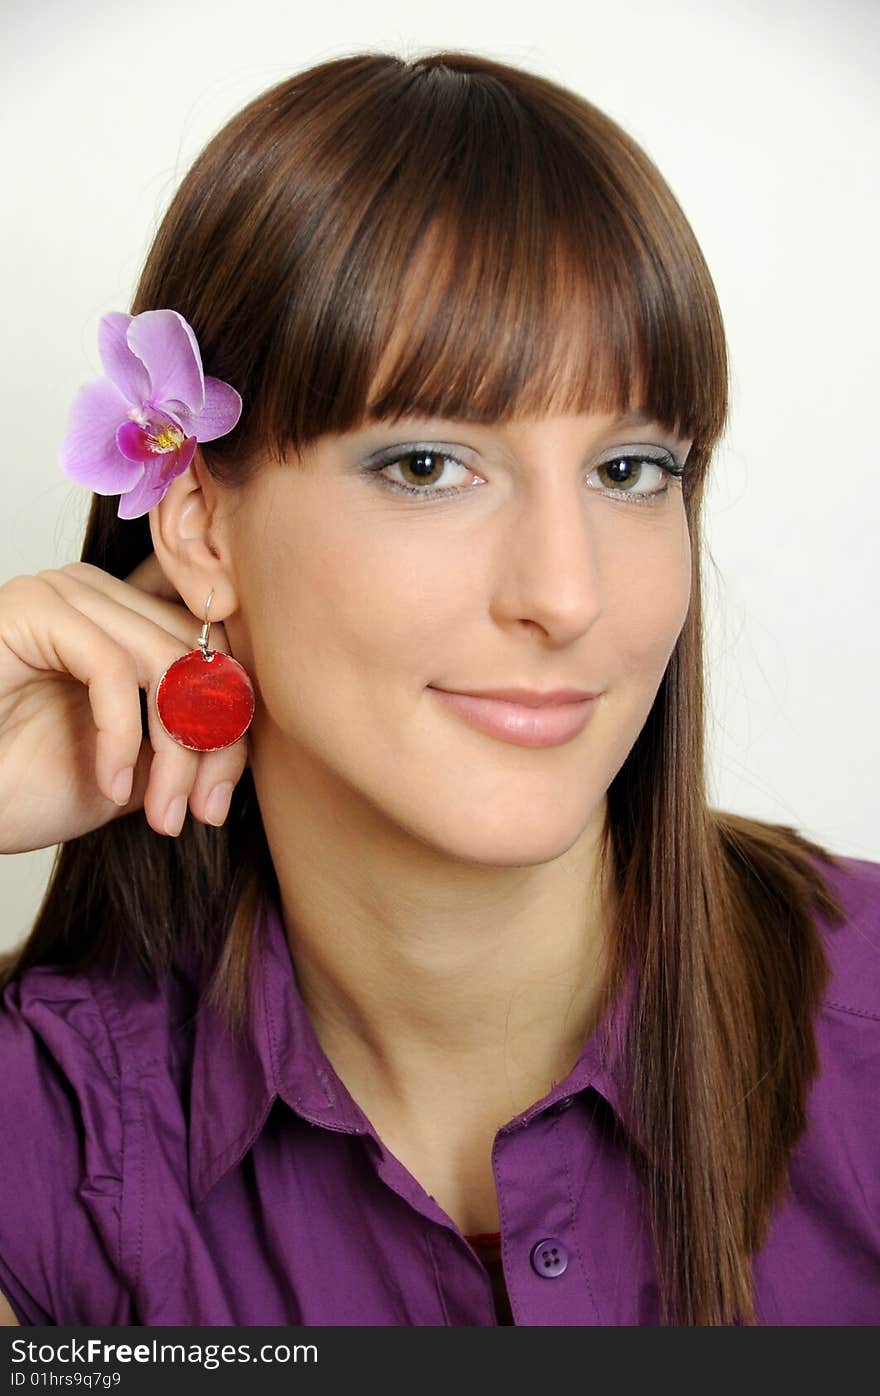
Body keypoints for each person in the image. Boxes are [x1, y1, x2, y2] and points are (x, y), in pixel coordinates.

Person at [0, 48, 877, 1330]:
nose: (564, 595)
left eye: (632, 469)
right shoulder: (49, 1142)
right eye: (427, 463)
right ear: (198, 526)